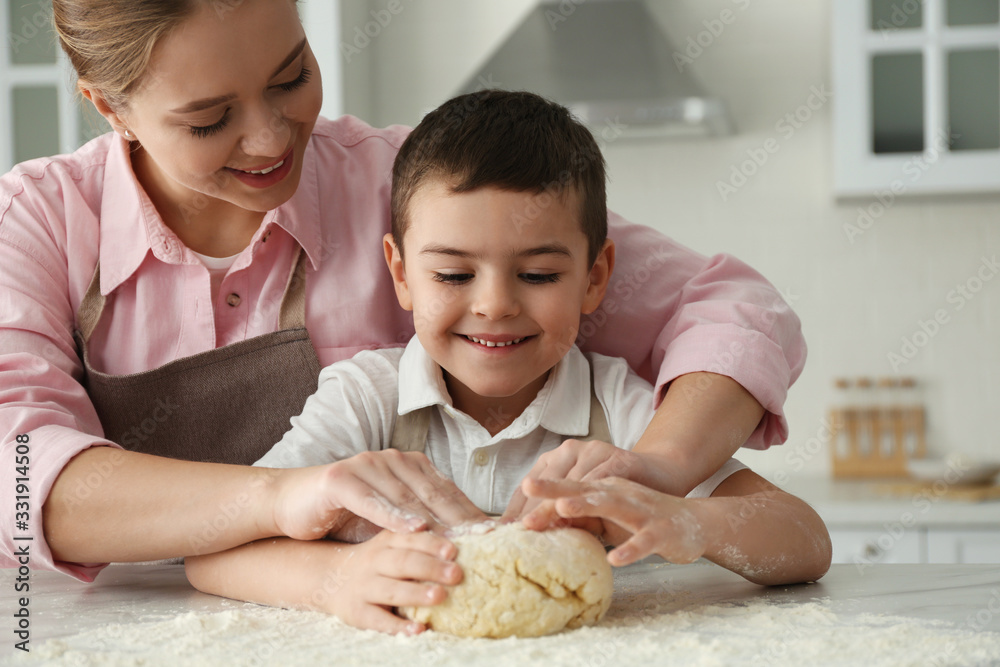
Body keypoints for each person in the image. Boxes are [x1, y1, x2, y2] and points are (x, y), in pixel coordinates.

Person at [0, 0, 805, 587]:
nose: (273, 139)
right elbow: (18, 467)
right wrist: (285, 496)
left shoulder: (411, 186)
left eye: (292, 77)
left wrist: (660, 474)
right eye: (210, 120)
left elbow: (729, 306)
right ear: (111, 107)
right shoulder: (38, 223)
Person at [185, 90, 831, 635]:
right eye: (454, 272)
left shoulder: (619, 413)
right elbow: (213, 548)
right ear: (402, 274)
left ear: (595, 277)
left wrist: (688, 519)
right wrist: (337, 579)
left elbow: (804, 536)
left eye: (539, 272)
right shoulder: (366, 400)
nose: (494, 305)